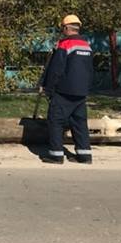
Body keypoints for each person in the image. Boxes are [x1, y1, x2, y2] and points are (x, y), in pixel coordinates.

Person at [38, 14, 94, 164]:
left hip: (64, 90)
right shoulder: (86, 45)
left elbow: (56, 69)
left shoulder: (65, 44)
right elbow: (89, 69)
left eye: (62, 28)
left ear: (66, 28)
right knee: (79, 122)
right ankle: (85, 155)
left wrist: (48, 88)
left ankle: (56, 155)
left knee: (55, 121)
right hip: (81, 91)